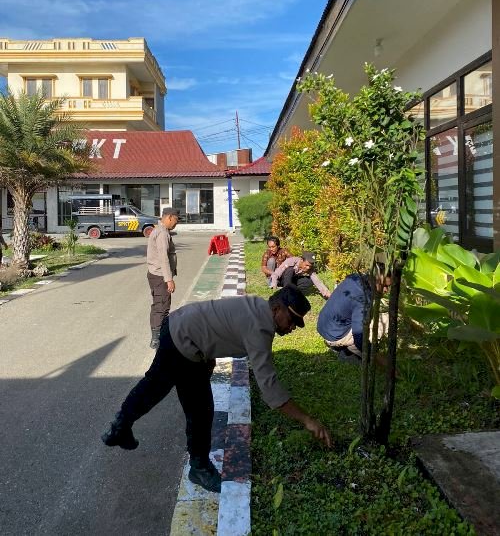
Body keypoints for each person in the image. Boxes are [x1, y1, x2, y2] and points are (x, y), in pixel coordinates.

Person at [101, 286, 332, 493]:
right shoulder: (260, 328)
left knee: (162, 390)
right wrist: (307, 420)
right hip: (183, 340)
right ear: (277, 309)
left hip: (181, 330)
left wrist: (208, 357)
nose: (292, 327)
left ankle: (121, 427)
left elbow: (219, 324)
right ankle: (197, 467)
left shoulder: (256, 307)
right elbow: (269, 387)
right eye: (291, 320)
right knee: (194, 407)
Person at [317, 267, 392, 364]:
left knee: (368, 316)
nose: (386, 290)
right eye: (384, 286)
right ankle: (348, 349)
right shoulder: (362, 299)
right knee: (386, 320)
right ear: (374, 280)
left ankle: (345, 346)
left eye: (389, 286)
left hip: (325, 327)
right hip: (335, 335)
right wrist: (382, 361)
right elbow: (359, 338)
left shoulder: (355, 278)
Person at [146, 207, 179, 350]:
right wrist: (169, 279)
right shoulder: (162, 233)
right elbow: (163, 257)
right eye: (176, 220)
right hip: (160, 276)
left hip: (156, 275)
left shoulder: (160, 230)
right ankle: (157, 339)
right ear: (170, 217)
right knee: (161, 306)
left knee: (161, 305)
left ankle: (162, 335)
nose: (177, 223)